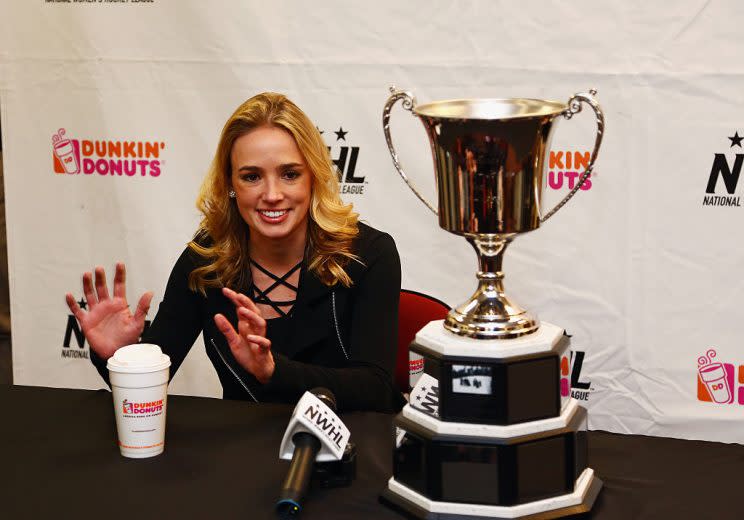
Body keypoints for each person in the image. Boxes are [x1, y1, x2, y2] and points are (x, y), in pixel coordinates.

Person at [66, 92, 404, 413]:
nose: (272, 194)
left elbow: (375, 389)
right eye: (252, 176)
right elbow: (154, 377)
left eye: (289, 174)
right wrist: (119, 357)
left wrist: (275, 372)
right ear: (230, 184)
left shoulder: (368, 253)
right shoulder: (205, 260)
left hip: (350, 448)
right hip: (245, 449)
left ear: (313, 176)